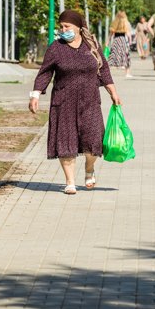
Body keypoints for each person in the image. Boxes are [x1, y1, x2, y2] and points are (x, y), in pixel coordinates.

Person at [28, 10, 122, 195]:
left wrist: (113, 92)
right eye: (61, 27)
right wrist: (36, 94)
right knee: (66, 142)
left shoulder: (91, 45)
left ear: (79, 27)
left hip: (90, 101)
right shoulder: (56, 48)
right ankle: (70, 182)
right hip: (64, 102)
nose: (63, 30)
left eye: (67, 27)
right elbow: (45, 72)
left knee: (93, 141)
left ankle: (89, 168)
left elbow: (104, 70)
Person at [108, 11, 133, 78]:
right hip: (122, 40)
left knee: (113, 56)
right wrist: (130, 41)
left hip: (116, 40)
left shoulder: (114, 23)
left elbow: (111, 34)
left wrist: (108, 41)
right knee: (125, 55)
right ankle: (127, 73)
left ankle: (107, 72)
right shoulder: (125, 23)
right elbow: (128, 33)